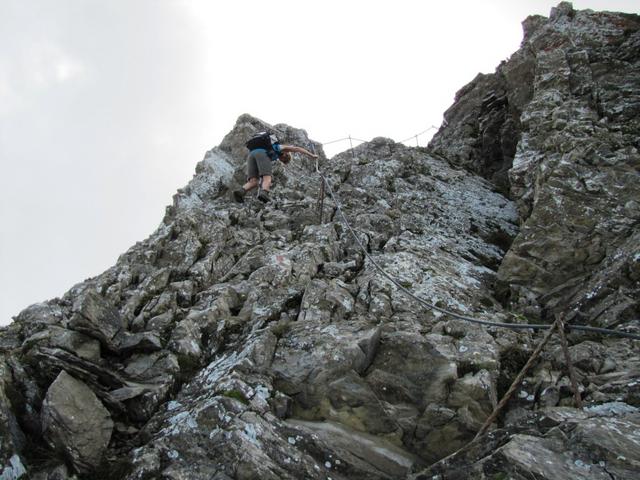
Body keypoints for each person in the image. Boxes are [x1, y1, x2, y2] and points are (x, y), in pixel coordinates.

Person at [233, 139, 318, 203]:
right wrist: (311, 155)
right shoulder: (283, 148)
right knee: (268, 177)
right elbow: (297, 148)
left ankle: (240, 192)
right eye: (284, 159)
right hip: (261, 153)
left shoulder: (274, 151)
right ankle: (264, 194)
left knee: (254, 181)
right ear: (286, 154)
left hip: (251, 154)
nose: (281, 160)